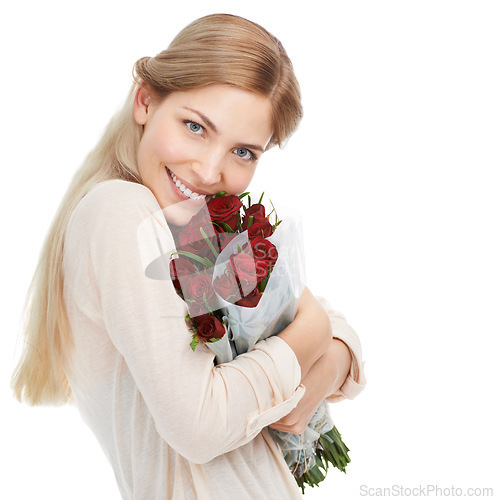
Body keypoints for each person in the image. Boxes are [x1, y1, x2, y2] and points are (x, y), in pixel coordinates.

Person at [11, 13, 366, 500]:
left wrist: (327, 357)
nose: (208, 170)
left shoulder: (188, 225)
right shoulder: (122, 211)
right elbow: (199, 426)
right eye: (195, 126)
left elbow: (327, 322)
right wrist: (315, 338)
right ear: (145, 100)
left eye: (243, 152)